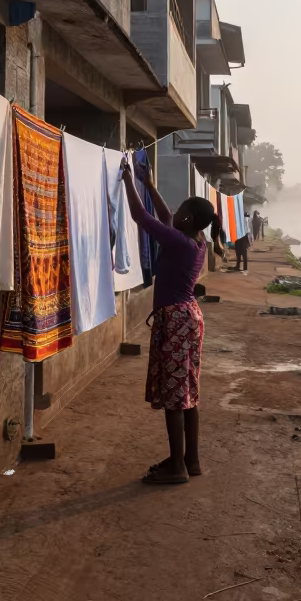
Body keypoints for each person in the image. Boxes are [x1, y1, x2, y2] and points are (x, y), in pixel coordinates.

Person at [121, 156, 226, 484]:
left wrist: (127, 179)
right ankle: (190, 460)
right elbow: (166, 216)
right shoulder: (196, 241)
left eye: (181, 210)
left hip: (176, 321)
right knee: (188, 393)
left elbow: (141, 217)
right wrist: (149, 183)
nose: (174, 214)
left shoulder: (179, 243)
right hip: (189, 317)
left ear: (189, 218)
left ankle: (177, 469)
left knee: (174, 397)